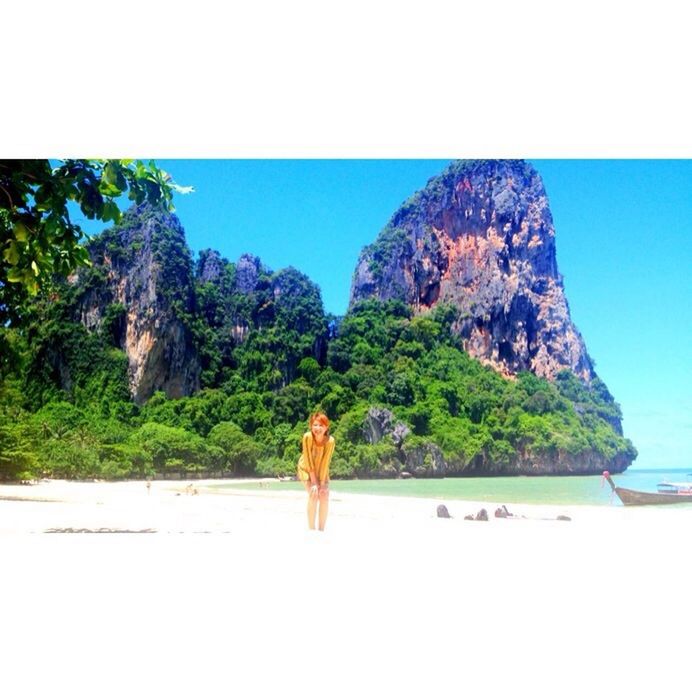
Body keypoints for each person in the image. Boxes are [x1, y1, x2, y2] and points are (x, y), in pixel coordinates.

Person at [297, 412, 336, 531]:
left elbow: (326, 462)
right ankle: (312, 530)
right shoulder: (307, 437)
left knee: (324, 495)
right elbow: (308, 458)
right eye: (315, 425)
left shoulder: (330, 441)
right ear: (311, 426)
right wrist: (314, 482)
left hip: (322, 470)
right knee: (313, 494)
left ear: (326, 427)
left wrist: (323, 483)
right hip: (306, 469)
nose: (317, 428)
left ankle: (321, 530)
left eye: (321, 425)